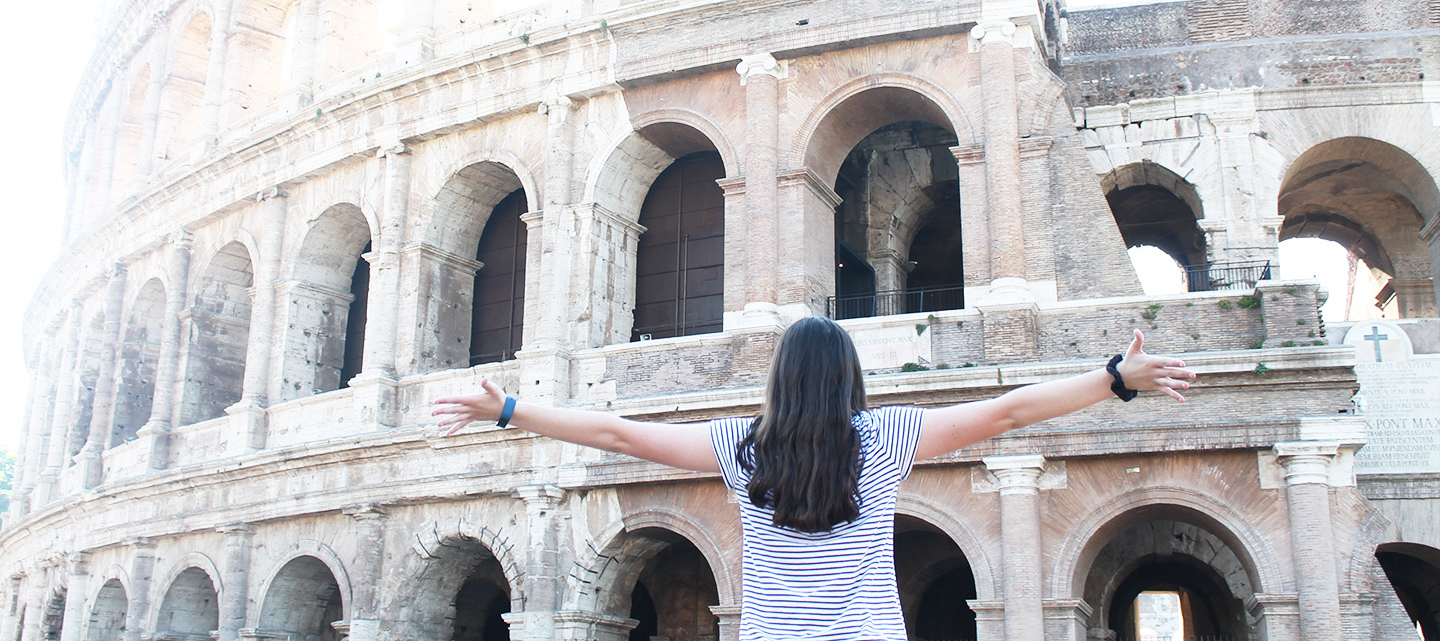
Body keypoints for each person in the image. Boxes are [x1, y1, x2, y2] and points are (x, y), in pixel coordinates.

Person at [433, 316, 1194, 641]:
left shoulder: (743, 449)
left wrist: (509, 410)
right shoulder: (884, 438)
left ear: (782, 381)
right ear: (848, 379)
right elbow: (1005, 412)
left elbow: (616, 433)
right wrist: (1113, 379)